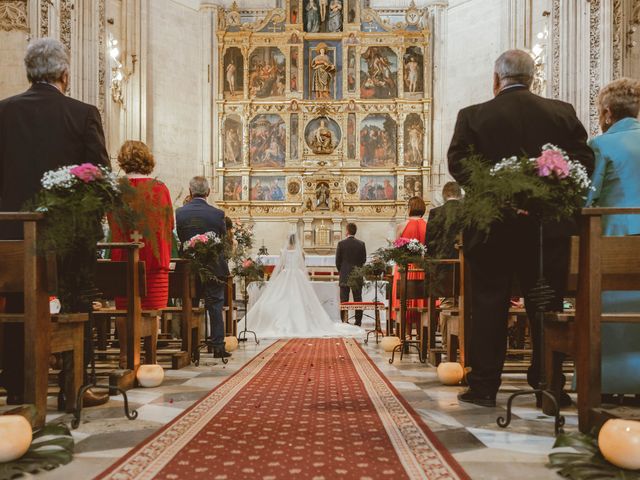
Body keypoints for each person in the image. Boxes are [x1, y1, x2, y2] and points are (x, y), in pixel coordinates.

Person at [448, 49, 595, 408]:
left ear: (496, 79)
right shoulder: (562, 113)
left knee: (488, 306)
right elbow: (584, 160)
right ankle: (549, 385)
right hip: (547, 228)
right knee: (544, 303)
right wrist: (546, 182)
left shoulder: (473, 116)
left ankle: (484, 386)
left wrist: (496, 187)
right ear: (533, 78)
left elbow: (458, 163)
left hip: (492, 226)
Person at [0, 38, 110, 406]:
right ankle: (74, 387)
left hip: (13, 234)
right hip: (70, 235)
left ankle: (18, 386)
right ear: (65, 73)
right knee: (77, 304)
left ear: (29, 72)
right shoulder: (82, 114)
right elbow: (101, 178)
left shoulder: (3, 112)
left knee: (17, 304)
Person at [586, 78, 640, 395]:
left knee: (611, 313)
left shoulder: (601, 145)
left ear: (607, 113)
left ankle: (611, 380)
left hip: (616, 240)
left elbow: (589, 199)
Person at [109, 141, 173, 366]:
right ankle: (150, 357)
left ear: (122, 161)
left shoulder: (116, 189)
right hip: (153, 261)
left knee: (124, 309)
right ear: (148, 160)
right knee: (151, 310)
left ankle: (125, 354)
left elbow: (112, 224)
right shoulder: (159, 188)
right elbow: (168, 225)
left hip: (123, 261)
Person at [242, 233, 362, 338]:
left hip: (285, 275)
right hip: (297, 275)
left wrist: (277, 277)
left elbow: (281, 265)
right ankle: (303, 323)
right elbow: (302, 264)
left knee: (283, 298)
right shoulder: (300, 252)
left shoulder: (283, 251)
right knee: (300, 299)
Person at [176, 176, 231, 358]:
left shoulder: (180, 213)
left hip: (188, 268)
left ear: (190, 192)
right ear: (208, 192)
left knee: (189, 304)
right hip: (214, 266)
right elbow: (223, 240)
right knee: (215, 305)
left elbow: (180, 240)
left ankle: (190, 346)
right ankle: (217, 346)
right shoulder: (217, 214)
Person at [391, 196, 428, 326]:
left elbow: (396, 252)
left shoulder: (401, 226)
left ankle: (405, 334)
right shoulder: (428, 225)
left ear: (409, 208)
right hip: (423, 268)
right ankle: (422, 333)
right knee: (422, 301)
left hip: (404, 269)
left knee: (404, 301)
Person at [336, 223, 367, 325]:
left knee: (344, 300)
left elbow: (337, 261)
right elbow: (363, 260)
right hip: (357, 275)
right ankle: (358, 322)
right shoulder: (361, 244)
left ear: (347, 231)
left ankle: (344, 321)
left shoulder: (341, 244)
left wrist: (342, 271)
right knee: (358, 299)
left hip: (344, 275)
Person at [425, 182, 463, 259]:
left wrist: (428, 259)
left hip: (441, 260)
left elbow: (430, 239)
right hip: (465, 260)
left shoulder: (435, 212)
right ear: (459, 194)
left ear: (444, 195)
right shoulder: (468, 211)